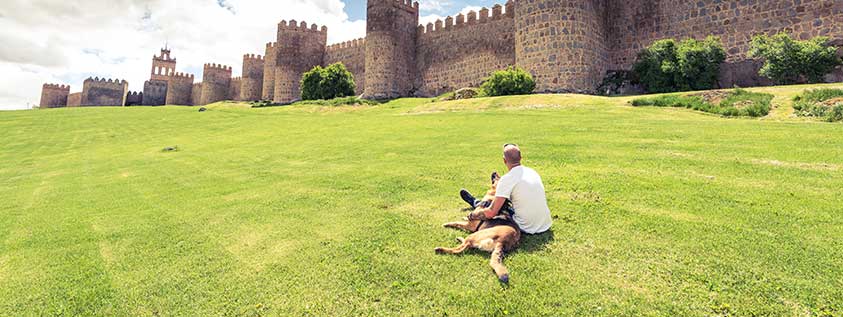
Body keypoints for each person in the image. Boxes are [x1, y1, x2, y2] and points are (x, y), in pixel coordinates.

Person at [460, 144, 552, 234]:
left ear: (504, 160)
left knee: (495, 206)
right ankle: (476, 202)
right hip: (545, 224)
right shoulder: (532, 172)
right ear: (521, 158)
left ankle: (476, 203)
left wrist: (473, 215)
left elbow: (491, 212)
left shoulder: (507, 179)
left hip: (525, 226)